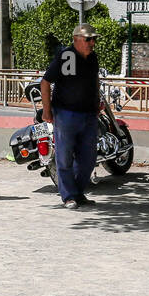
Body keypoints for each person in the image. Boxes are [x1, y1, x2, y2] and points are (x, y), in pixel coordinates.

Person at [41, 23, 103, 209]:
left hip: (89, 114)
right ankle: (69, 196)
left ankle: (77, 192)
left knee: (89, 158)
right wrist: (47, 110)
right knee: (65, 156)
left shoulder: (93, 58)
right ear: (76, 40)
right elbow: (45, 82)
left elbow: (95, 81)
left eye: (94, 39)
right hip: (66, 113)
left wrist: (97, 100)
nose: (92, 43)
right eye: (88, 39)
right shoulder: (66, 56)